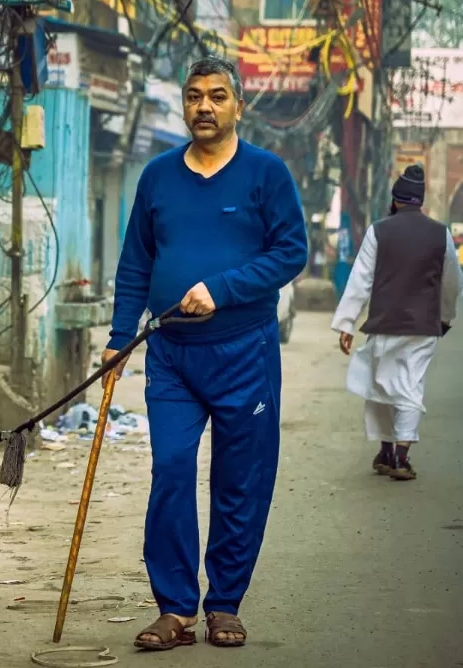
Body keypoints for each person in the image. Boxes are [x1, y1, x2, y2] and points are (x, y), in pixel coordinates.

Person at [102, 56, 308, 650]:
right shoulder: (157, 177)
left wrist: (222, 288)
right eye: (195, 96)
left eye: (218, 96)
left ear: (238, 105)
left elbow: (291, 251)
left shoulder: (267, 174)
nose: (205, 107)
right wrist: (119, 338)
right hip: (169, 353)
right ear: (185, 104)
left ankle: (223, 604)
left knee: (239, 480)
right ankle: (174, 609)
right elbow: (136, 260)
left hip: (244, 351)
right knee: (170, 469)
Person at [330, 165, 460, 481]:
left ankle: (387, 451)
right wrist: (444, 317)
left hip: (384, 324)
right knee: (410, 386)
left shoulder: (379, 230)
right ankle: (400, 457)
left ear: (396, 199)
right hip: (422, 328)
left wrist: (347, 322)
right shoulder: (440, 233)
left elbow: (360, 279)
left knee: (380, 386)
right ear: (420, 200)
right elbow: (452, 283)